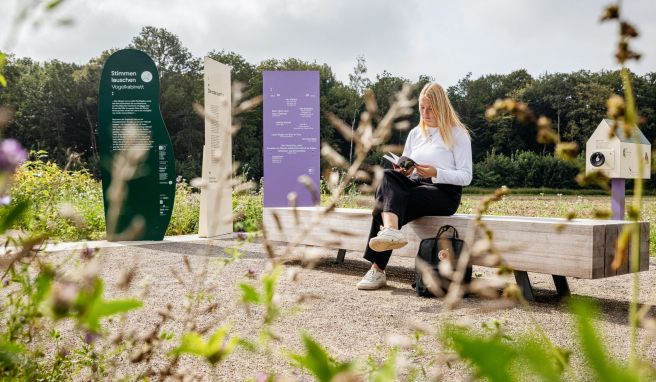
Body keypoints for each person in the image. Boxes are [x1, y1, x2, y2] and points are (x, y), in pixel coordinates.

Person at [357, 82, 472, 290]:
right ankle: (391, 231)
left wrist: (435, 173)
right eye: (422, 108)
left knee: (383, 204)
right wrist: (406, 170)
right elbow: (408, 165)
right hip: (416, 184)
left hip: (444, 193)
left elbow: (466, 176)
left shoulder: (457, 134)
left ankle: (377, 269)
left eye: (430, 108)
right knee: (387, 176)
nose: (425, 113)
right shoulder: (415, 133)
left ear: (441, 107)